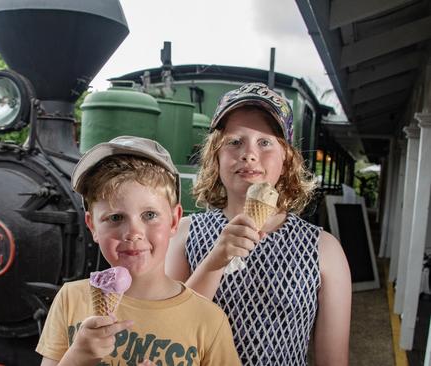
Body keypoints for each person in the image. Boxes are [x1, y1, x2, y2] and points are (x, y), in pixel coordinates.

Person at [166, 83, 352, 366]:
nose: (249, 154)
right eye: (235, 142)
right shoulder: (185, 233)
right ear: (215, 156)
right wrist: (214, 261)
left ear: (286, 159)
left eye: (265, 142)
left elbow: (332, 360)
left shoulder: (324, 249)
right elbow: (167, 336)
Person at [37, 136, 241, 366]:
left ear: (174, 221)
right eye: (115, 218)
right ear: (92, 225)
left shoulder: (209, 321)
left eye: (150, 215)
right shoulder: (70, 299)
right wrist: (77, 356)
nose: (134, 232)